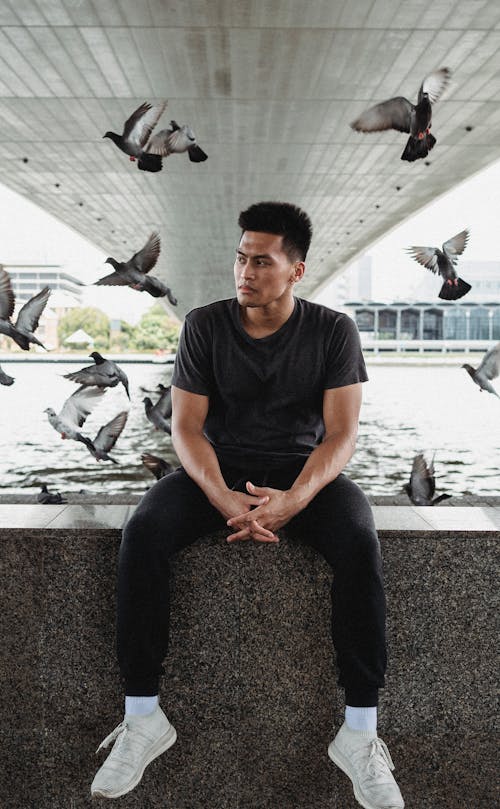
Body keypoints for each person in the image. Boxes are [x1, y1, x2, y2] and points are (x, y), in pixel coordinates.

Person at [91, 201, 404, 809]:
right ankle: (143, 716)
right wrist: (221, 496)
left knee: (360, 543)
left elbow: (341, 434)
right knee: (145, 531)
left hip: (302, 474)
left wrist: (296, 499)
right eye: (240, 258)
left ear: (296, 271)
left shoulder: (332, 331)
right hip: (218, 470)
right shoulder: (205, 325)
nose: (245, 272)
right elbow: (186, 429)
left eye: (261, 261)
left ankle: (361, 731)